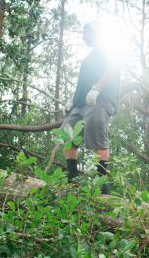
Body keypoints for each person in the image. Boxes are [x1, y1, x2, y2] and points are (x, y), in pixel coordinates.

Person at [62, 21, 120, 194]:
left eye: (85, 33)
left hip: (100, 100)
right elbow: (82, 82)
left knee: (96, 133)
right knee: (67, 131)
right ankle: (72, 179)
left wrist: (98, 88)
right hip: (80, 103)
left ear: (94, 32)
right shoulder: (88, 59)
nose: (83, 37)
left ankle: (103, 185)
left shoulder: (106, 50)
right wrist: (72, 98)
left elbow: (114, 69)